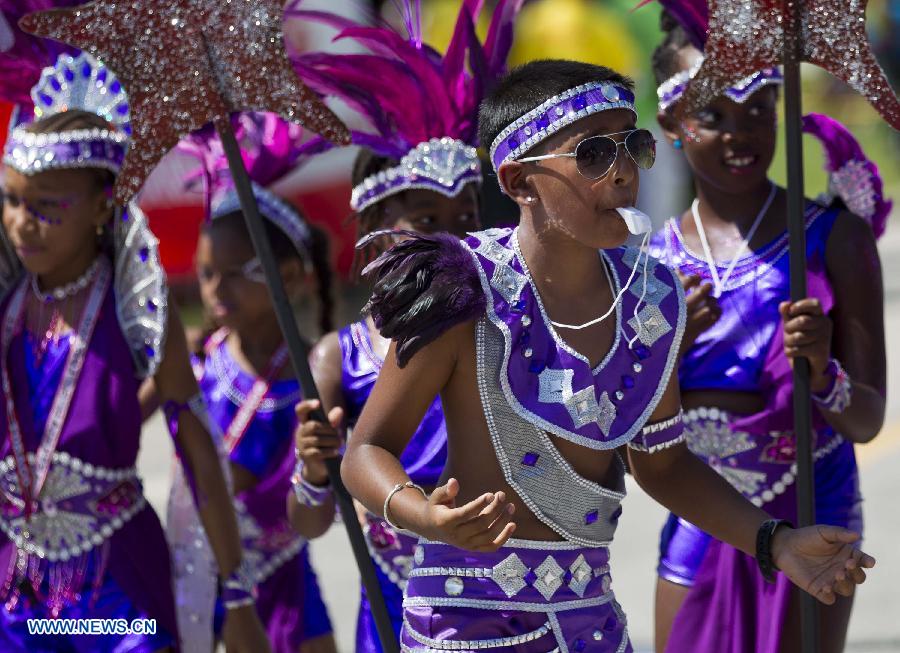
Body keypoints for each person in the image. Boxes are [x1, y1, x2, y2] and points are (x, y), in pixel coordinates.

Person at [341, 58, 875, 652]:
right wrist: (423, 516)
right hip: (463, 620)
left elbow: (663, 465)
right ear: (519, 183)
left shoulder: (656, 300)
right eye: (594, 154)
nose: (623, 172)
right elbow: (366, 451)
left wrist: (775, 542)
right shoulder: (462, 292)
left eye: (634, 146)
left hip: (590, 621)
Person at [0, 52, 269, 652]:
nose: (22, 223)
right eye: (13, 201)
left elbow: (197, 445)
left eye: (46, 206)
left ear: (101, 207)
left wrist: (238, 594)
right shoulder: (6, 300)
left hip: (111, 584)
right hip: (13, 584)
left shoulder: (134, 307)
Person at [646, 3, 889, 651]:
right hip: (703, 517)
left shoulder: (833, 236)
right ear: (672, 121)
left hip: (815, 505)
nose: (739, 132)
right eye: (713, 113)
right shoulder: (650, 266)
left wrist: (822, 371)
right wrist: (668, 355)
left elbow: (866, 420)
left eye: (759, 106)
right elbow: (633, 440)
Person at [288, 1, 519, 649]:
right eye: (425, 221)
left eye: (464, 217)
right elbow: (307, 523)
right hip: (393, 612)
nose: (451, 240)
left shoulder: (506, 327)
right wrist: (313, 469)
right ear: (371, 231)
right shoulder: (340, 358)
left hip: (507, 604)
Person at [144, 114, 338, 653]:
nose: (214, 288)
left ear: (290, 277)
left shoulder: (314, 374)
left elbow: (295, 486)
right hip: (195, 571)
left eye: (235, 271)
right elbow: (118, 423)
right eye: (206, 273)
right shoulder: (199, 359)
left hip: (284, 577)